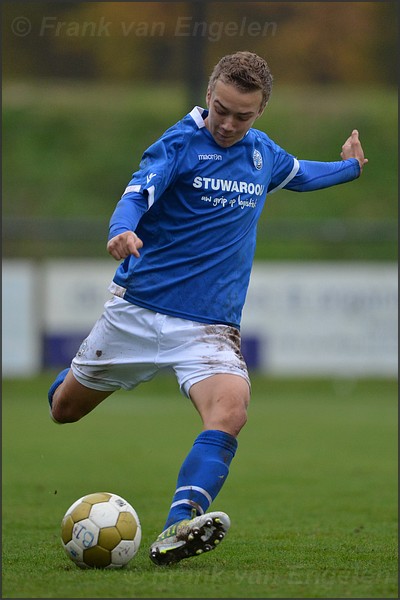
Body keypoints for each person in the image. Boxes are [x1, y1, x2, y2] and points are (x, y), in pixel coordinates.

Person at [48, 51, 368, 566]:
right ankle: (73, 377)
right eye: (221, 109)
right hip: (138, 311)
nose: (228, 123)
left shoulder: (261, 153)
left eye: (242, 116)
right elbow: (138, 193)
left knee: (232, 410)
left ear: (260, 112)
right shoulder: (178, 144)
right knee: (64, 410)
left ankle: (180, 525)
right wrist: (121, 231)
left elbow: (302, 174)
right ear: (209, 95)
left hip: (210, 325)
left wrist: (351, 168)